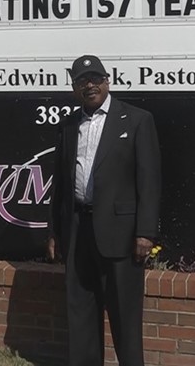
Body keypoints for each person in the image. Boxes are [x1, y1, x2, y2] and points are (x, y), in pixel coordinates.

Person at [47, 54, 161, 366]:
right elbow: (60, 182)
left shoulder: (137, 120)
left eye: (95, 78)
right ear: (74, 88)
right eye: (82, 81)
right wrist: (55, 230)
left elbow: (149, 181)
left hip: (122, 235)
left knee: (125, 316)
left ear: (107, 81)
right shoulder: (69, 125)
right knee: (81, 312)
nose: (90, 85)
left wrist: (146, 233)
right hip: (78, 229)